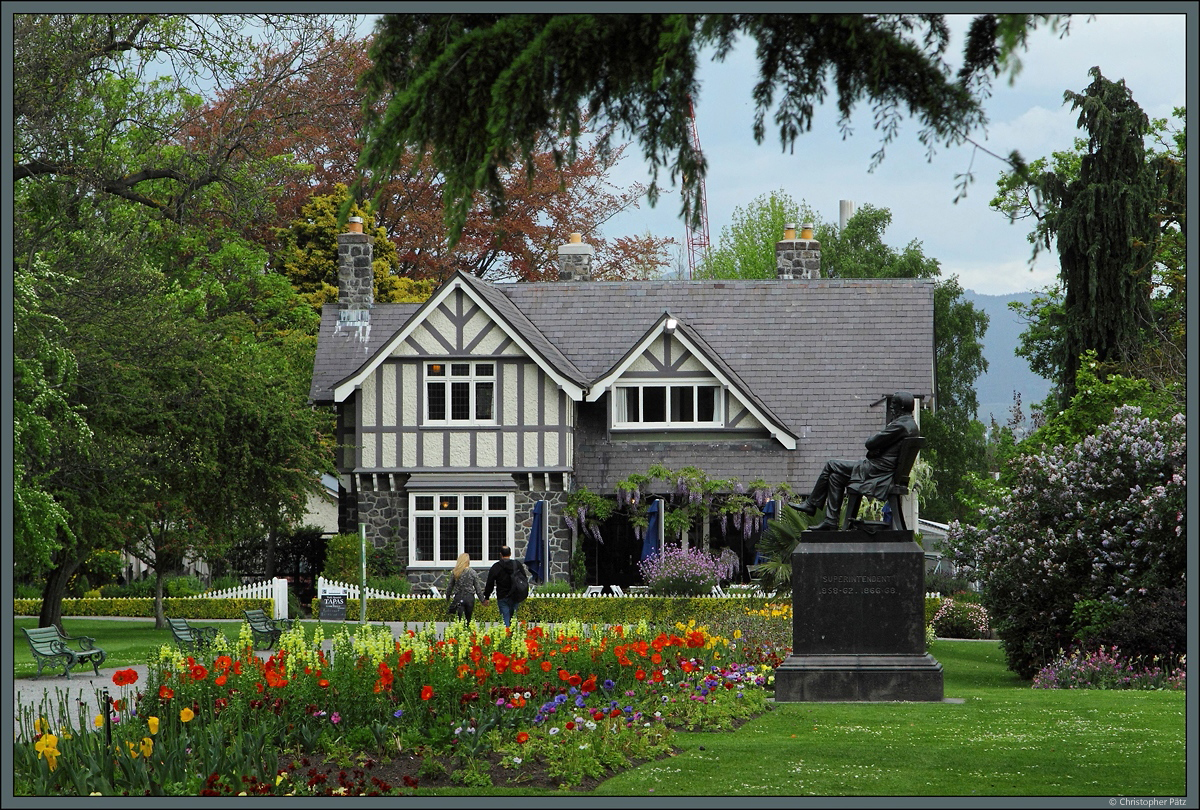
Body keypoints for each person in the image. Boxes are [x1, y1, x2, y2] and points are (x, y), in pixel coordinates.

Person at [795, 391, 920, 531]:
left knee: (831, 464)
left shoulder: (900, 425)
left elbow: (871, 443)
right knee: (835, 477)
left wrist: (875, 449)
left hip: (876, 471)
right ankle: (830, 521)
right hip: (882, 468)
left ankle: (811, 504)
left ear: (902, 407)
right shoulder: (910, 425)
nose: (891, 408)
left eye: (894, 405)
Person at [482, 545, 528, 628]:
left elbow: (490, 583)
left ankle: (507, 635)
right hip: (515, 595)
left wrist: (487, 596)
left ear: (500, 554)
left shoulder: (496, 567)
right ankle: (513, 635)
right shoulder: (517, 565)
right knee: (513, 618)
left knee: (505, 619)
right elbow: (524, 578)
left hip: (502, 596)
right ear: (510, 554)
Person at [445, 552, 485, 622]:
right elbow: (478, 588)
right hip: (469, 598)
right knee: (468, 619)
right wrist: (482, 600)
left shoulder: (455, 572)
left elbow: (450, 586)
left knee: (460, 620)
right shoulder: (472, 572)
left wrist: (447, 597)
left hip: (459, 597)